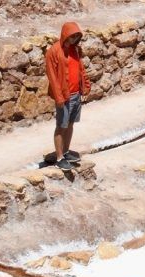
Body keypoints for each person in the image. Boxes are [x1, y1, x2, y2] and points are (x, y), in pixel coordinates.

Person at [45, 22, 91, 171]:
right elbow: (52, 77)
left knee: (70, 124)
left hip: (76, 95)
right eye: (73, 35)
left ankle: (65, 151)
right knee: (61, 126)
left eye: (77, 36)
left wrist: (85, 86)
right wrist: (58, 97)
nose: (74, 38)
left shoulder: (75, 50)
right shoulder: (53, 51)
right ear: (65, 34)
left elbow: (80, 69)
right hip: (63, 97)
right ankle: (59, 158)